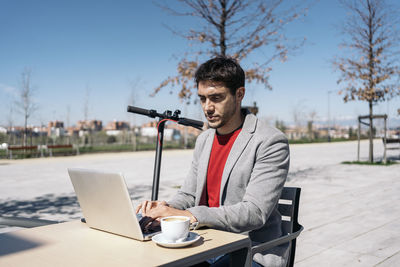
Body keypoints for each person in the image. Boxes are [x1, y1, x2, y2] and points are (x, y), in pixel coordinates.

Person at [136, 56, 290, 267]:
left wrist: (189, 215)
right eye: (202, 99)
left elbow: (254, 213)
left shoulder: (269, 141)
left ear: (239, 94)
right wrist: (165, 208)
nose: (207, 107)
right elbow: (189, 194)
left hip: (250, 249)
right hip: (205, 243)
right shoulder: (204, 139)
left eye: (216, 98)